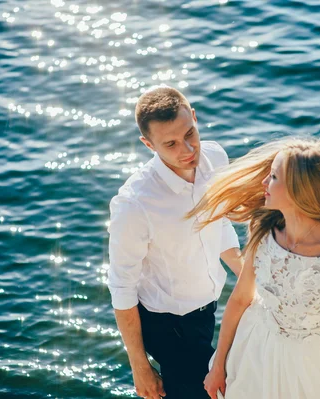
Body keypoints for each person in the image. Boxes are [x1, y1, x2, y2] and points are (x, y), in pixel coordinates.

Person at [187, 137, 320, 399]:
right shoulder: (266, 229)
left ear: (298, 190)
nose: (263, 183)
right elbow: (239, 299)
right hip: (258, 352)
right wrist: (219, 366)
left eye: (273, 177)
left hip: (315, 367)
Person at [107, 86, 243, 399]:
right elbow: (122, 287)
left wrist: (251, 277)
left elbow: (218, 223)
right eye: (170, 143)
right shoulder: (135, 203)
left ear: (194, 118)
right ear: (148, 144)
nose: (187, 150)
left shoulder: (215, 157)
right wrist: (139, 367)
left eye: (190, 134)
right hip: (168, 324)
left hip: (207, 308)